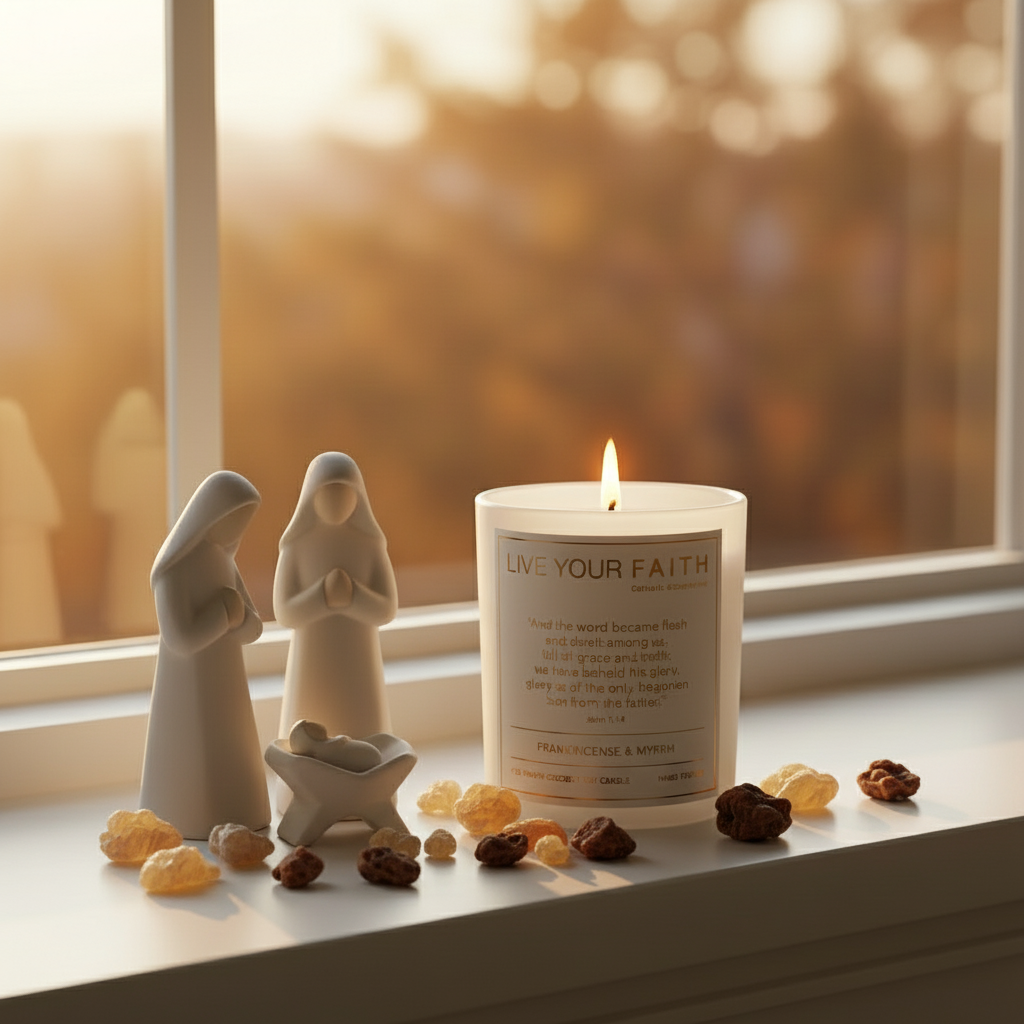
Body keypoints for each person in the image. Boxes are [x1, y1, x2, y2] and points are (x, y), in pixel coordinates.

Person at [139, 470, 270, 839]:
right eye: (233, 517)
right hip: (186, 686)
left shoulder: (224, 560)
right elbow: (179, 639)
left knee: (231, 739)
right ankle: (187, 813)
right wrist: (223, 614)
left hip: (226, 677)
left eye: (244, 519)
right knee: (193, 747)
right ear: (208, 516)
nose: (239, 527)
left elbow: (253, 627)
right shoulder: (173, 571)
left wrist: (236, 617)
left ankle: (238, 810)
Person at [275, 452, 398, 743]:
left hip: (360, 657)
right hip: (312, 656)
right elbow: (284, 611)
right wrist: (322, 597)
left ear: (358, 496)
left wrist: (354, 596)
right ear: (311, 496)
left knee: (364, 729)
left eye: (344, 492)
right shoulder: (296, 544)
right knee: (309, 722)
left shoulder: (369, 543)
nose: (336, 500)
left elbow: (387, 608)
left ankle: (368, 774)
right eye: (328, 492)